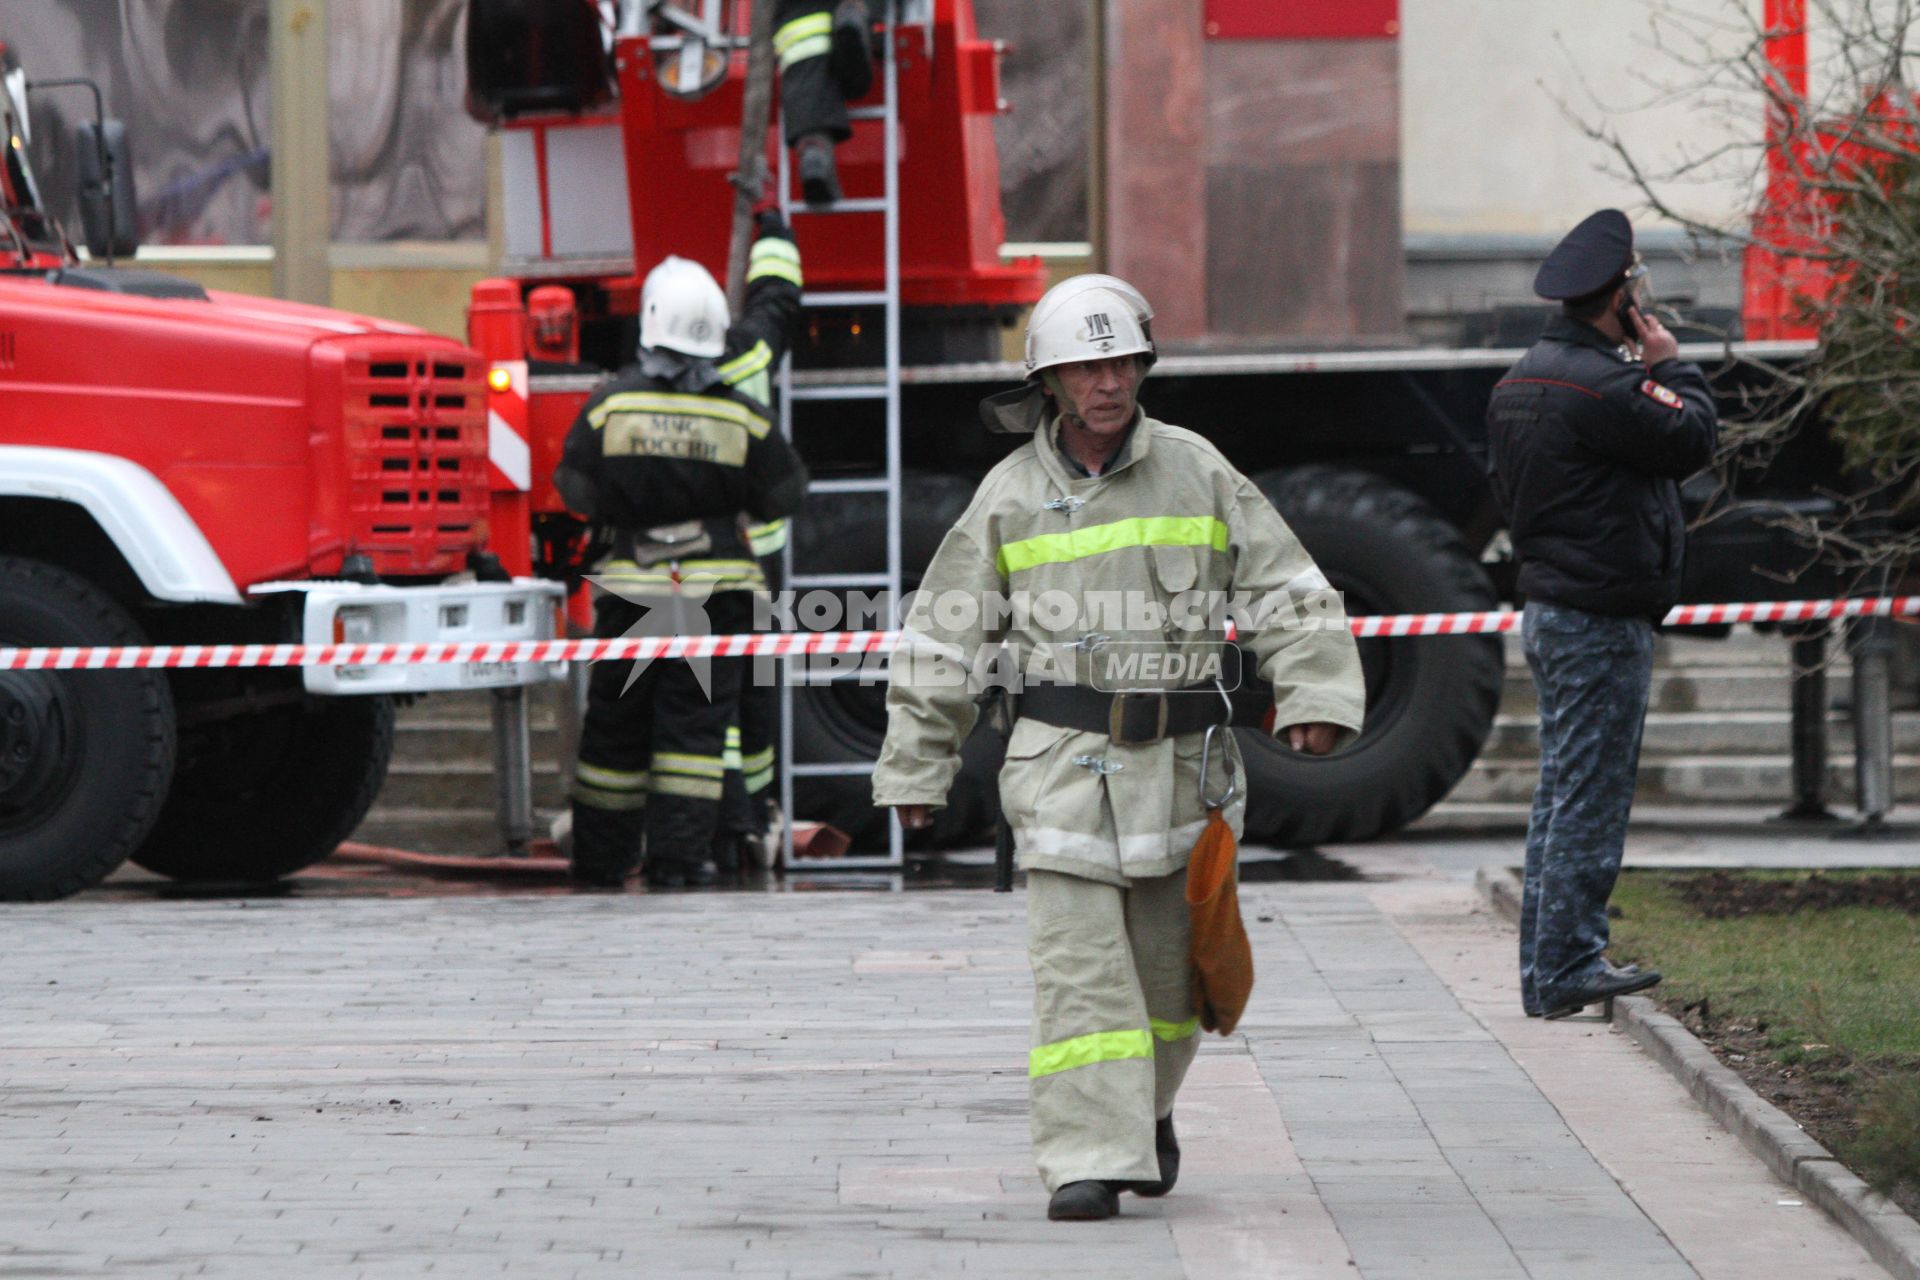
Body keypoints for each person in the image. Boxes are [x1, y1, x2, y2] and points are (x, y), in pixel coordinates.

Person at [870, 275, 1366, 1221]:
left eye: (1122, 360)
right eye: (1086, 366)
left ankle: (1146, 1110)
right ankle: (1088, 1160)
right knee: (1077, 976)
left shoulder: (1199, 470)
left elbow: (1288, 588)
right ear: (1050, 384)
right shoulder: (1008, 497)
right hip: (1058, 776)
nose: (1108, 382)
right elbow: (944, 634)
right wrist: (916, 765)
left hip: (1185, 778)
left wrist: (1316, 692)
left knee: (1171, 986)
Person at [1486, 209, 1719, 1020]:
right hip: (1599, 619)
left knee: (1561, 791)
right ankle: (1571, 962)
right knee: (1588, 796)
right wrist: (1672, 366)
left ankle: (1548, 971)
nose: (1643, 305)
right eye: (1635, 292)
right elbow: (1691, 439)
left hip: (1555, 608)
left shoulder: (1520, 379)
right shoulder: (1606, 384)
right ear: (1615, 298)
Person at [555, 212, 808, 889]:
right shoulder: (741, 414)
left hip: (632, 591)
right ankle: (677, 864)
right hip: (718, 595)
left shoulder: (610, 406)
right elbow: (786, 494)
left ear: (651, 323)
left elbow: (574, 486)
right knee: (695, 734)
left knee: (614, 727)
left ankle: (601, 861)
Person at [773, 0, 874, 205]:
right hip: (851, 14)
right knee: (854, 79)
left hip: (797, 31)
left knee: (808, 78)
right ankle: (851, 17)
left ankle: (814, 151)